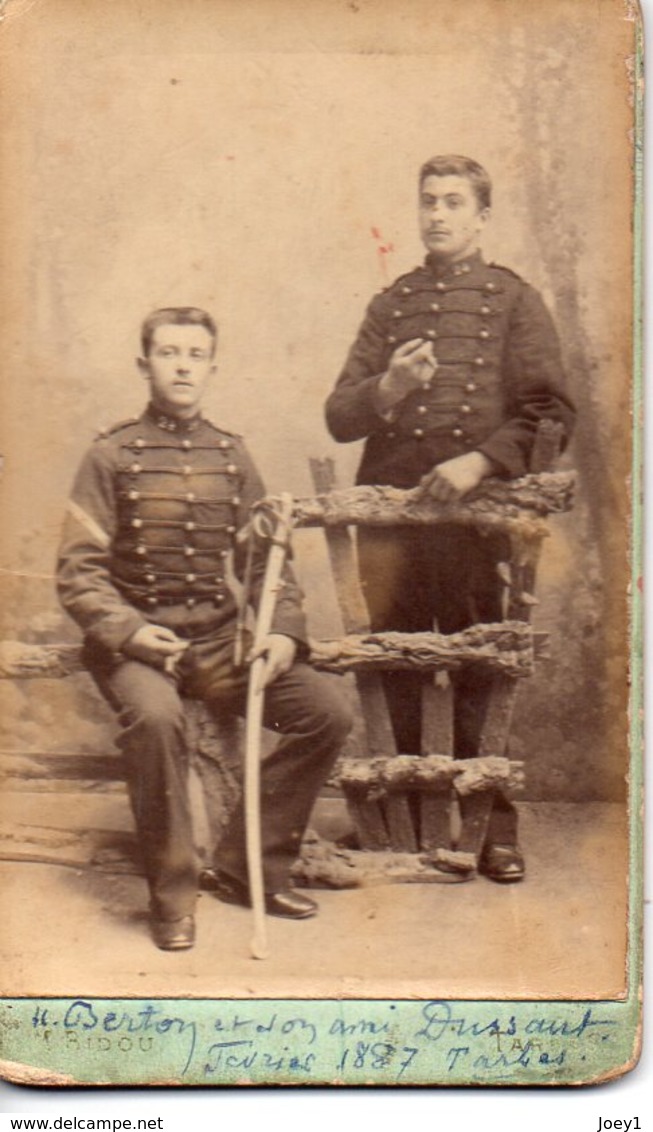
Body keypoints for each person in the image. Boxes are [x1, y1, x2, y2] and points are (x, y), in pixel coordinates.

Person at [57, 307, 352, 950]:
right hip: (139, 649)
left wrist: (280, 633)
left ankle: (253, 867)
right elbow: (78, 575)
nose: (183, 365)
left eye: (195, 354)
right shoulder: (110, 455)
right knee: (157, 722)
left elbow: (268, 563)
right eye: (169, 353)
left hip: (219, 642)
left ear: (213, 367)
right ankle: (173, 894)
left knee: (326, 712)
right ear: (145, 365)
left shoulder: (231, 455)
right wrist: (130, 633)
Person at [325, 155, 576, 882]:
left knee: (476, 665)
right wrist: (390, 386)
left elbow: (550, 411)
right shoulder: (391, 304)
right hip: (393, 519)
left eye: (453, 202)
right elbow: (339, 416)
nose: (436, 214)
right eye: (427, 201)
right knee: (393, 663)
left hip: (476, 520)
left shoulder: (512, 301)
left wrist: (479, 463)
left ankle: (492, 826)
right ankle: (399, 822)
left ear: (481, 216)